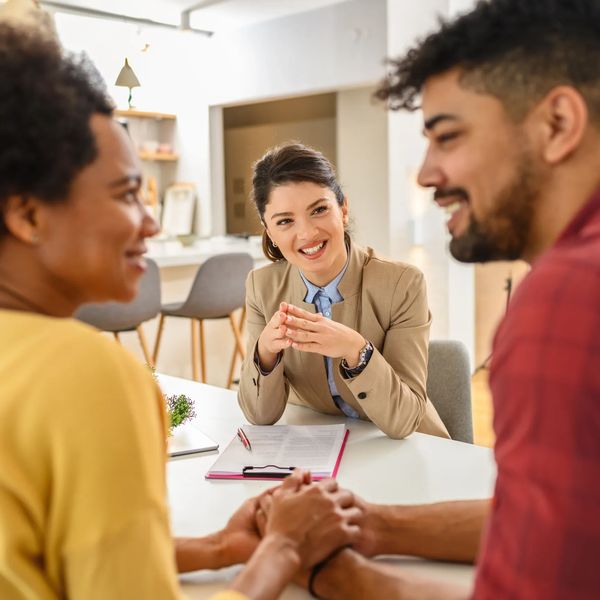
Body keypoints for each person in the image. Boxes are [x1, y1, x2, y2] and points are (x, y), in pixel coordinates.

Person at [0, 24, 362, 600]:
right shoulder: (87, 377)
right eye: (126, 195)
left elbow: (44, 553)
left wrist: (217, 549)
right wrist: (282, 548)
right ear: (28, 216)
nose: (152, 223)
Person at [292, 0, 600, 598]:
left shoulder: (566, 298)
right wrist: (370, 523)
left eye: (448, 137)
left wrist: (342, 577)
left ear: (558, 124)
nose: (427, 173)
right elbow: (552, 522)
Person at [238, 142, 449, 440]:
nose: (308, 233)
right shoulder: (261, 287)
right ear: (269, 232)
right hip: (321, 450)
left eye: (319, 210)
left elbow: (405, 421)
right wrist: (266, 352)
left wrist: (356, 350)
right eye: (285, 221)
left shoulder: (403, 284)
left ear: (343, 209)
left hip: (409, 448)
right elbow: (260, 416)